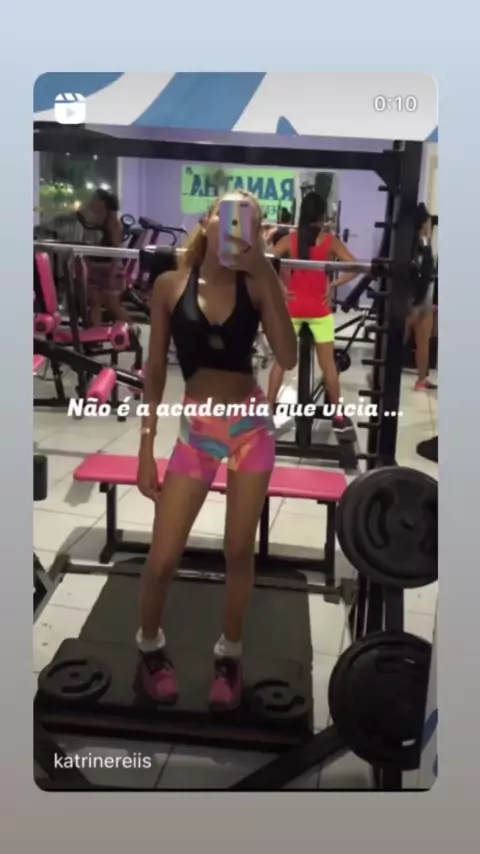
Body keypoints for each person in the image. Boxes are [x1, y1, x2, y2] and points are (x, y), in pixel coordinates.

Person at [136, 191, 297, 709]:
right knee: (163, 557)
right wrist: (145, 446)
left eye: (247, 220)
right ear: (205, 221)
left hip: (250, 429)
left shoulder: (256, 284)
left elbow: (289, 356)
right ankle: (149, 646)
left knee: (237, 551)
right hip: (197, 433)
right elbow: (154, 370)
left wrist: (264, 269)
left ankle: (230, 653)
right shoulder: (170, 285)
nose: (232, 226)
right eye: (225, 214)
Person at [266, 192, 360, 431]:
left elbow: (265, 262)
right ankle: (338, 416)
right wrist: (333, 285)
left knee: (280, 362)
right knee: (328, 366)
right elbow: (355, 267)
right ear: (322, 216)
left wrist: (281, 288)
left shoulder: (290, 240)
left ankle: (267, 410)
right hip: (319, 309)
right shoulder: (330, 241)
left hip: (294, 308)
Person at [81, 189, 133, 327]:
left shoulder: (113, 222)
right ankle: (95, 333)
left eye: (95, 200)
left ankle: (132, 330)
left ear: (102, 203)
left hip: (109, 271)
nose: (92, 202)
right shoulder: (100, 220)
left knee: (112, 306)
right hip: (97, 270)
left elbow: (117, 250)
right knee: (95, 303)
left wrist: (113, 276)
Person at [404, 203, 437, 391]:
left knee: (424, 340)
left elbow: (428, 271)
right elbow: (416, 272)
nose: (430, 225)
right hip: (413, 297)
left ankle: (422, 379)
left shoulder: (425, 243)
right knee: (400, 337)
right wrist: (415, 300)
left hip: (425, 296)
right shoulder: (411, 245)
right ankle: (382, 373)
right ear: (422, 223)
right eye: (428, 222)